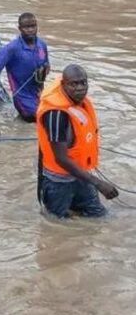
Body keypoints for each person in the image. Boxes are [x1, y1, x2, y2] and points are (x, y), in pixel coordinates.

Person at [36, 65, 119, 218]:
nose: (80, 88)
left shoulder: (77, 102)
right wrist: (98, 183)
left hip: (81, 175)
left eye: (83, 83)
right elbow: (61, 159)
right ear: (63, 85)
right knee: (55, 224)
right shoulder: (56, 114)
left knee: (99, 216)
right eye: (74, 84)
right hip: (59, 182)